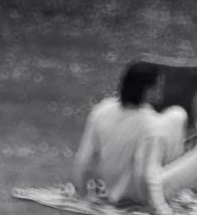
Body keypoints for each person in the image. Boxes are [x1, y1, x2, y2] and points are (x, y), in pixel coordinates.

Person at [70, 63, 175, 205]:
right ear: (148, 90)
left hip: (106, 190)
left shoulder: (102, 109)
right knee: (177, 116)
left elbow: (83, 160)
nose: (161, 90)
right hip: (134, 197)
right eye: (159, 86)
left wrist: (81, 194)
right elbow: (145, 175)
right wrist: (162, 211)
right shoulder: (151, 124)